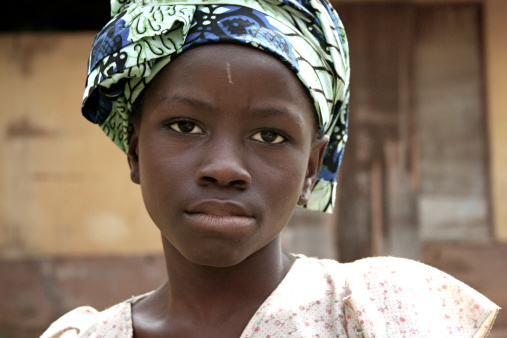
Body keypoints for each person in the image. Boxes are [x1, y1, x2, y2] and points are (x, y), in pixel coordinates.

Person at [41, 0, 499, 337]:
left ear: (311, 169)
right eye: (184, 125)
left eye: (270, 136)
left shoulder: (380, 313)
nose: (224, 168)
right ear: (135, 151)